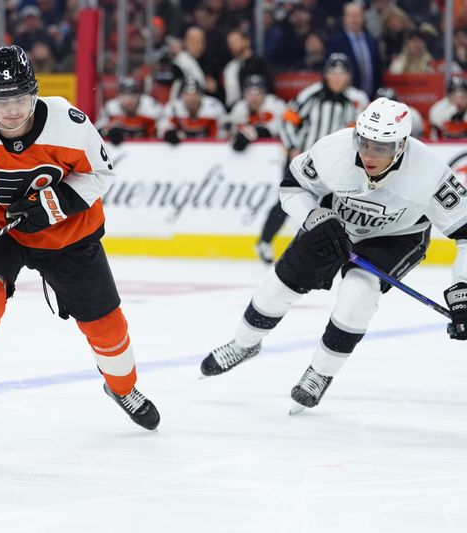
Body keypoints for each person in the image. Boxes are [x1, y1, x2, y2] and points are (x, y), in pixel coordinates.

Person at [0, 45, 160, 449]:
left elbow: (100, 173)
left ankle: (122, 387)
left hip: (69, 234)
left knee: (106, 326)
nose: (12, 110)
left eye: (20, 97)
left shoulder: (70, 123)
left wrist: (52, 205)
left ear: (34, 92)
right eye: (1, 100)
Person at [200, 97, 467, 412]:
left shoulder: (430, 173)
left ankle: (320, 373)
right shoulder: (334, 150)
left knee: (358, 293)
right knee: (278, 286)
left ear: (402, 145)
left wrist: (463, 288)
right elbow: (292, 186)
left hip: (396, 237)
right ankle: (244, 344)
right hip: (332, 223)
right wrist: (313, 217)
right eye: (364, 142)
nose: (368, 154)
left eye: (380, 148)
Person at [255, 53, 369, 264]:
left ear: (349, 76)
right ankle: (264, 241)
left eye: (341, 73)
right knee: (288, 201)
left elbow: (359, 133)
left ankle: (323, 251)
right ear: (325, 75)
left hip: (334, 166)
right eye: (332, 73)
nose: (336, 78)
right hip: (303, 162)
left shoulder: (355, 101)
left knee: (332, 205)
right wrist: (292, 147)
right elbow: (287, 120)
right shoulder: (311, 94)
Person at [95, 76, 163, 145]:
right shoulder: (110, 108)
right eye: (124, 95)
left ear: (139, 95)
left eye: (132, 95)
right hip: (119, 150)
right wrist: (109, 132)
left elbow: (163, 126)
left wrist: (165, 132)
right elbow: (97, 130)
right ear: (118, 96)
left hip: (147, 148)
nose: (128, 100)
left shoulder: (151, 107)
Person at [226, 74, 286, 152]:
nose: (254, 98)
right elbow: (232, 133)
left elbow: (274, 131)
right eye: (250, 93)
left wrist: (251, 133)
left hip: (272, 150)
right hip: (247, 155)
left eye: (258, 93)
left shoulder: (275, 105)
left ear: (264, 93)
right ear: (244, 94)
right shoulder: (239, 107)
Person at [157, 78, 226, 143]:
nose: (191, 98)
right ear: (181, 95)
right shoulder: (173, 107)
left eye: (195, 94)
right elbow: (162, 128)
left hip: (208, 148)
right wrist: (169, 133)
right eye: (187, 94)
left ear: (201, 95)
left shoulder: (214, 106)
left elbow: (224, 131)